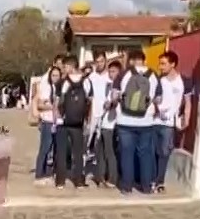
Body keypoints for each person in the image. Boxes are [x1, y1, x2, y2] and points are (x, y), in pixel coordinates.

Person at [115, 50, 156, 194]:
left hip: (125, 121)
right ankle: (146, 187)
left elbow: (114, 96)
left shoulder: (123, 74)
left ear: (131, 60)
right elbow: (159, 99)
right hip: (146, 122)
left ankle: (127, 187)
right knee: (145, 154)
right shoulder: (153, 75)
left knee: (127, 154)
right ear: (144, 60)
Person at [146, 50, 187, 192]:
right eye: (160, 64)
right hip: (155, 121)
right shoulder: (159, 81)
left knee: (164, 153)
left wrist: (185, 119)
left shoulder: (183, 82)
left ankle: (159, 181)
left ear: (173, 64)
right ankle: (151, 179)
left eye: (163, 64)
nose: (160, 67)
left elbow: (186, 102)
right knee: (152, 152)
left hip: (169, 124)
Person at [54, 60, 92, 188]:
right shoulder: (86, 81)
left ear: (71, 66)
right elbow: (90, 102)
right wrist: (88, 120)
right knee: (79, 152)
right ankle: (79, 181)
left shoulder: (63, 82)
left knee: (61, 152)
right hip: (79, 123)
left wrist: (56, 118)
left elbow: (57, 101)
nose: (63, 69)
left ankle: (60, 181)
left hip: (63, 121)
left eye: (65, 66)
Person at [90, 58, 123, 187]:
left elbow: (115, 102)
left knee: (110, 152)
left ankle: (112, 178)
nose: (111, 74)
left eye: (114, 71)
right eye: (109, 71)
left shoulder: (120, 86)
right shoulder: (108, 85)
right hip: (103, 121)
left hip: (112, 123)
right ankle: (100, 176)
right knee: (100, 151)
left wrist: (111, 103)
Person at [30, 62, 61, 184]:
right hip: (47, 121)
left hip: (57, 122)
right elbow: (40, 104)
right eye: (53, 75)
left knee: (54, 149)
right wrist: (52, 107)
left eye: (57, 75)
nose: (55, 78)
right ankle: (39, 174)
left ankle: (48, 172)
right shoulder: (46, 88)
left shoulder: (59, 88)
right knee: (45, 147)